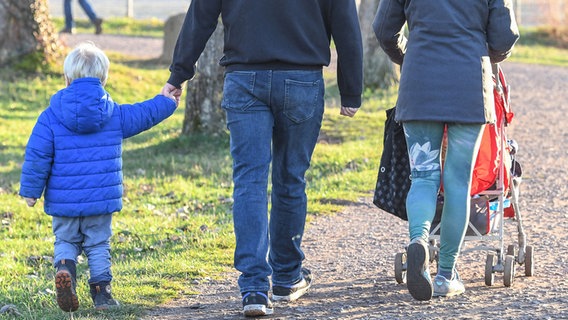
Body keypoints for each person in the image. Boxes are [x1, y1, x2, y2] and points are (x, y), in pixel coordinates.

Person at [161, 0, 363, 316]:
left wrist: (179, 72)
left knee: (249, 181)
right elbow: (346, 23)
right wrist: (351, 90)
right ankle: (285, 276)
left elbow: (201, 15)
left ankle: (254, 287)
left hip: (245, 78)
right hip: (301, 78)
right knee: (291, 178)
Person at [373, 0, 519, 300]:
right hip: (468, 86)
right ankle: (446, 274)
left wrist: (407, 55)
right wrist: (478, 51)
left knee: (424, 176)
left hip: (419, 86)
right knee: (458, 182)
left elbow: (383, 30)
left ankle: (419, 240)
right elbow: (505, 37)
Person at [19, 42, 178, 312]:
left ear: (67, 77)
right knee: (98, 244)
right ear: (103, 78)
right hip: (101, 199)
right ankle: (102, 295)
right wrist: (167, 101)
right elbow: (143, 114)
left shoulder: (50, 116)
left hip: (64, 200)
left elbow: (38, 156)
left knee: (66, 241)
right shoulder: (113, 113)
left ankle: (65, 270)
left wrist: (31, 191)